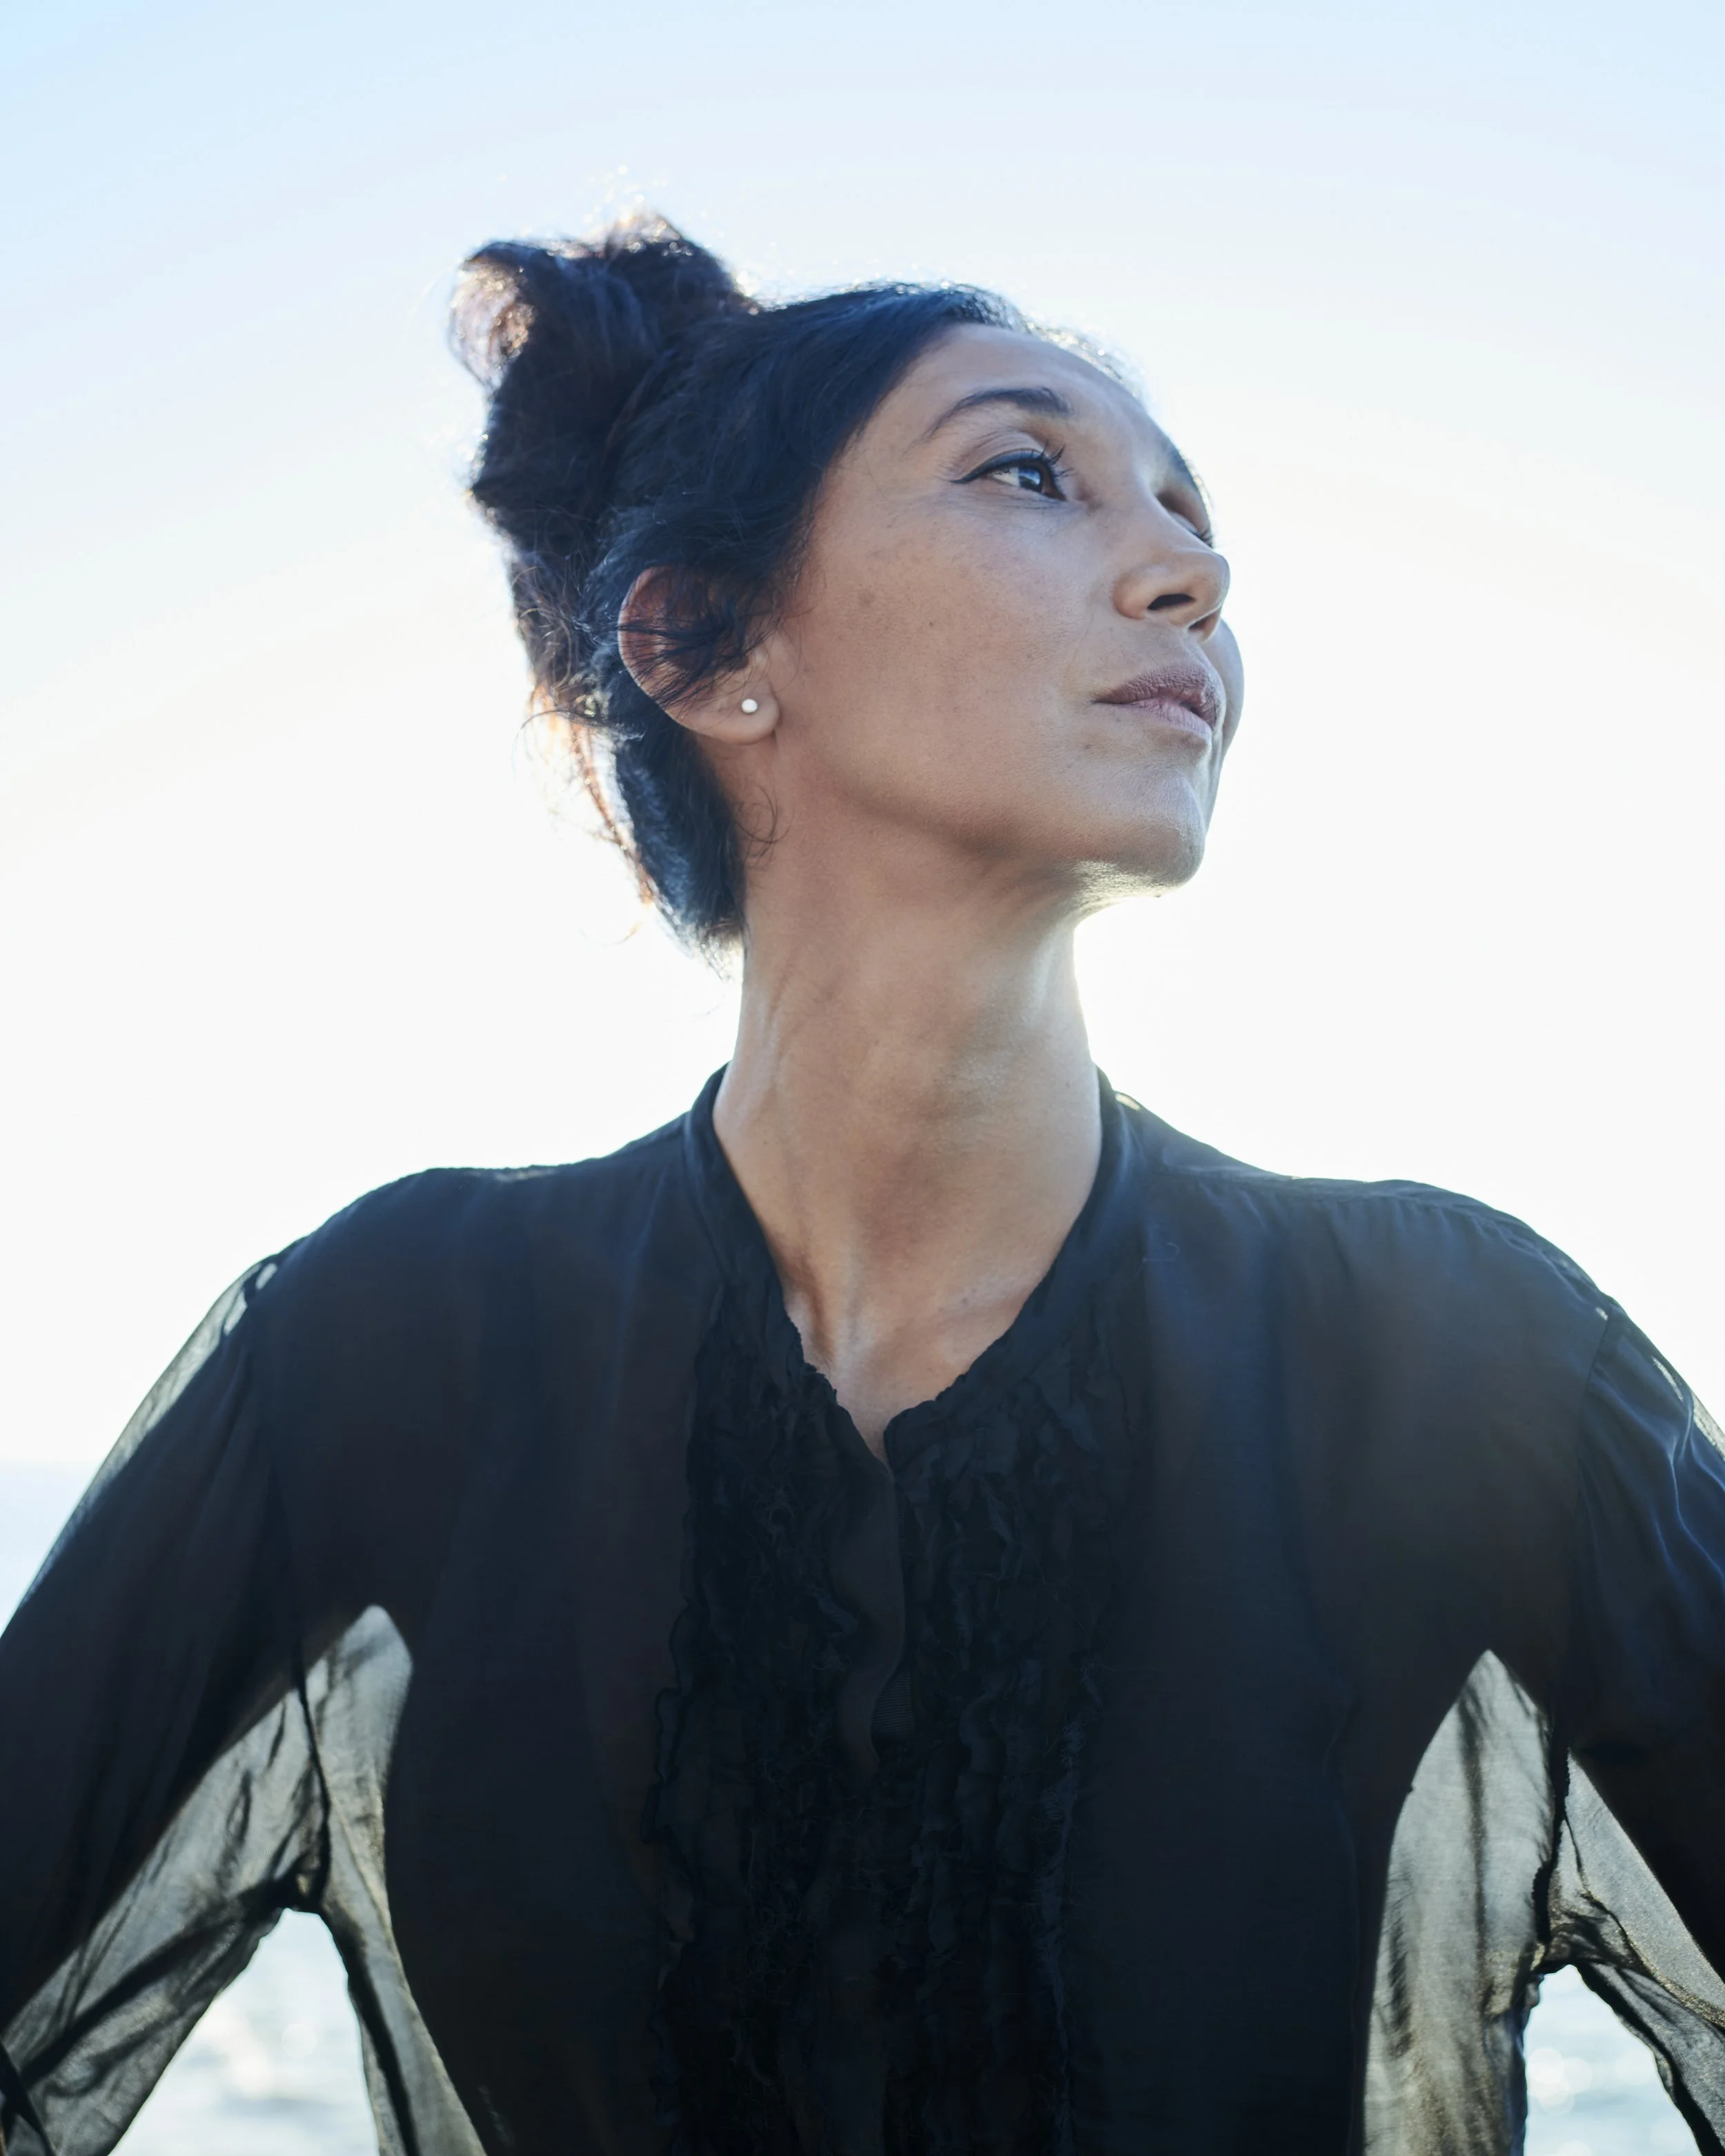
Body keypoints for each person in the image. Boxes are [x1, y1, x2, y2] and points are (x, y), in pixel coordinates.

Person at [1, 214, 1722, 2156]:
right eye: (1025, 472)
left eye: (1185, 511)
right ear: (703, 648)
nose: (1191, 571)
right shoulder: (383, 1338)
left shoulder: (1456, 1351)